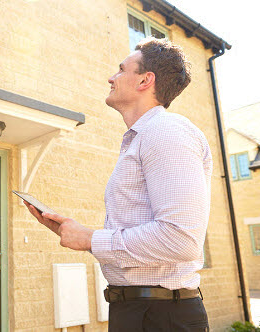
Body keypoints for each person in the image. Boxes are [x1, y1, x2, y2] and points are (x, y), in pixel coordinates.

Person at [24, 37, 212, 331]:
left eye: (121, 70)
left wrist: (90, 238)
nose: (111, 77)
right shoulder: (141, 139)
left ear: (144, 81)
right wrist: (74, 232)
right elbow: (142, 241)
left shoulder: (166, 132)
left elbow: (181, 239)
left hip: (161, 316)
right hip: (136, 310)